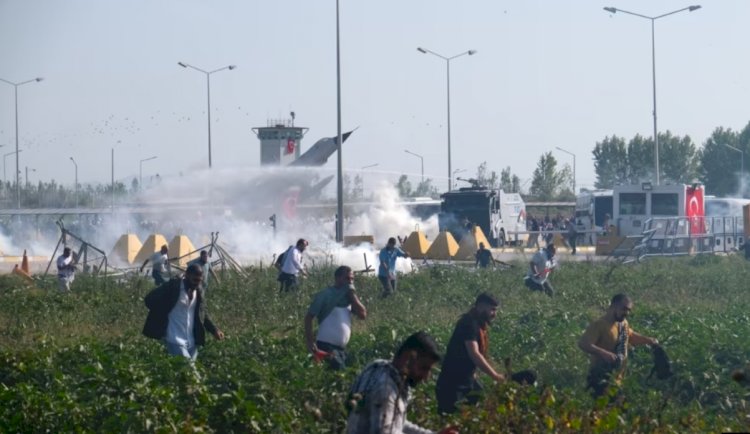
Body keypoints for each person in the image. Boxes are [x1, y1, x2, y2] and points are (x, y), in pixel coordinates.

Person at [346, 331, 458, 434]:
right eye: (424, 368)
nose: (426, 377)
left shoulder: (377, 366)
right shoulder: (386, 389)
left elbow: (396, 423)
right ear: (407, 358)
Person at [436, 293, 505, 414]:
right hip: (453, 382)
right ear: (481, 306)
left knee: (478, 396)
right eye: (492, 309)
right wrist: (495, 375)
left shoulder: (478, 324)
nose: (494, 314)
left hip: (466, 379)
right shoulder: (469, 323)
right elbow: (474, 353)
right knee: (448, 417)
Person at [578, 293, 658, 397]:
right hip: (599, 378)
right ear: (613, 306)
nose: (627, 313)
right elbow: (584, 343)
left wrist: (648, 340)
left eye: (629, 310)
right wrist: (604, 353)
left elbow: (631, 337)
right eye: (624, 309)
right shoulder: (599, 325)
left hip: (617, 381)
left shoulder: (623, 323)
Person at [142, 264, 225, 361]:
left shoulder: (198, 292)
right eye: (194, 280)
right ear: (187, 275)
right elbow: (149, 299)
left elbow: (203, 314)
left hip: (192, 341)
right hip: (174, 338)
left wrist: (214, 330)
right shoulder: (173, 287)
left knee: (184, 373)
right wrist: (161, 312)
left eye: (199, 281)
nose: (196, 283)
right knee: (191, 372)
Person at [304, 265, 367, 370]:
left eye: (352, 279)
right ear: (337, 278)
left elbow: (363, 314)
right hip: (326, 346)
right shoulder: (326, 294)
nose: (350, 282)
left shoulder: (349, 298)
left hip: (341, 350)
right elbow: (309, 317)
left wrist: (352, 296)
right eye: (347, 278)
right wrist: (310, 342)